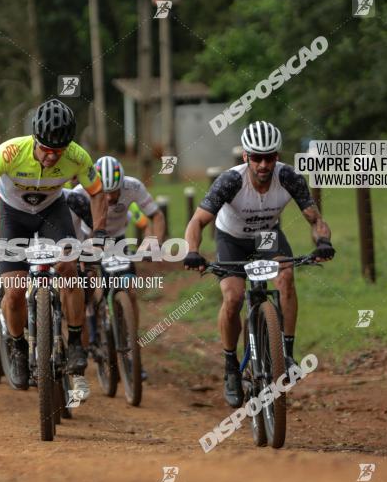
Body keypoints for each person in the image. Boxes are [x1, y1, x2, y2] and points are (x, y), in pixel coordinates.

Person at [183, 120, 335, 408]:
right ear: (246, 157)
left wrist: (323, 242)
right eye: (257, 158)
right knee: (234, 296)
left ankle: (286, 354)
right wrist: (192, 250)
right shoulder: (230, 181)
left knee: (286, 276)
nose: (263, 165)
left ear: (277, 157)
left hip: (267, 237)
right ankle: (230, 367)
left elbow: (315, 220)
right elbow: (197, 221)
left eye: (270, 157)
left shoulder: (289, 177)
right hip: (232, 238)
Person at [0, 98, 107, 400]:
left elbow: (97, 192)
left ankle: (77, 342)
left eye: (60, 151)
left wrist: (99, 232)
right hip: (13, 217)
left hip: (52, 212)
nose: (53, 157)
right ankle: (17, 347)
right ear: (35, 140)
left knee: (69, 268)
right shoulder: (10, 152)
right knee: (13, 291)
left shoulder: (78, 156)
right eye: (47, 150)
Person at [66, 155, 166, 348]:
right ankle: (93, 325)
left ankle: (131, 343)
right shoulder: (80, 191)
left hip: (117, 241)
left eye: (115, 191)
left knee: (130, 291)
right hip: (89, 239)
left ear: (123, 183)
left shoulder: (134, 187)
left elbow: (156, 216)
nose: (110, 197)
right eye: (105, 192)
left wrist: (154, 243)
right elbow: (71, 226)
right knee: (90, 287)